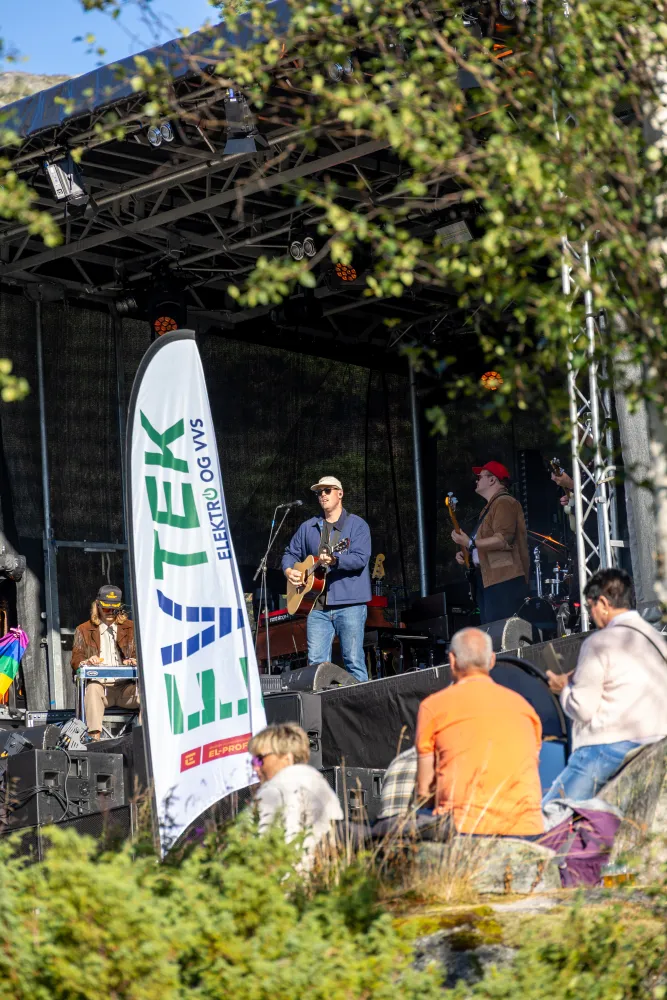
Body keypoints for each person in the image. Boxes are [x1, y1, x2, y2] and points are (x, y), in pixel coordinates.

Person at [544, 568, 667, 805]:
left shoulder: (599, 643)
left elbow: (582, 709)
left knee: (551, 816)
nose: (591, 615)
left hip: (607, 750)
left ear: (602, 603)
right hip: (656, 747)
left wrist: (565, 688)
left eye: (590, 607)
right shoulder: (658, 641)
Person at [416, 627, 544, 837]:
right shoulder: (525, 708)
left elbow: (423, 790)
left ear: (452, 660)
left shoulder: (433, 707)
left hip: (464, 832)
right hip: (528, 833)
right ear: (492, 660)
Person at [282, 475, 371, 681]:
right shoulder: (309, 527)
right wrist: (289, 571)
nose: (322, 495)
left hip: (350, 604)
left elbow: (360, 558)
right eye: (319, 492)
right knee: (316, 666)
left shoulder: (357, 525)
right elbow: (289, 553)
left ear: (340, 493)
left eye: (327, 490)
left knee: (353, 661)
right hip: (316, 607)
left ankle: (361, 710)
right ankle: (319, 711)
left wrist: (335, 560)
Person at [249, 722, 343, 864]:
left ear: (287, 757)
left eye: (260, 759)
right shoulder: (321, 786)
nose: (255, 767)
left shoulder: (274, 789)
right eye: (253, 761)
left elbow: (263, 852)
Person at [451, 460, 529, 623]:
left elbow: (502, 540)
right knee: (492, 634)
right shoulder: (488, 508)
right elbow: (484, 543)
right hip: (489, 579)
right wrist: (468, 553)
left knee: (502, 634)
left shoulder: (505, 502)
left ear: (493, 480)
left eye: (480, 477)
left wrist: (471, 544)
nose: (476, 480)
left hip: (504, 580)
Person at [71, 584, 139, 741]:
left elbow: (142, 655)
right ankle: (94, 741)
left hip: (126, 689)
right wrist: (86, 661)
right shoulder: (83, 629)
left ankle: (144, 739)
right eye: (106, 609)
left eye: (114, 609)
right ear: (97, 605)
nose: (110, 613)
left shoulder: (131, 628)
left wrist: (135, 660)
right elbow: (75, 659)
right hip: (102, 690)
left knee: (148, 694)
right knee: (93, 688)